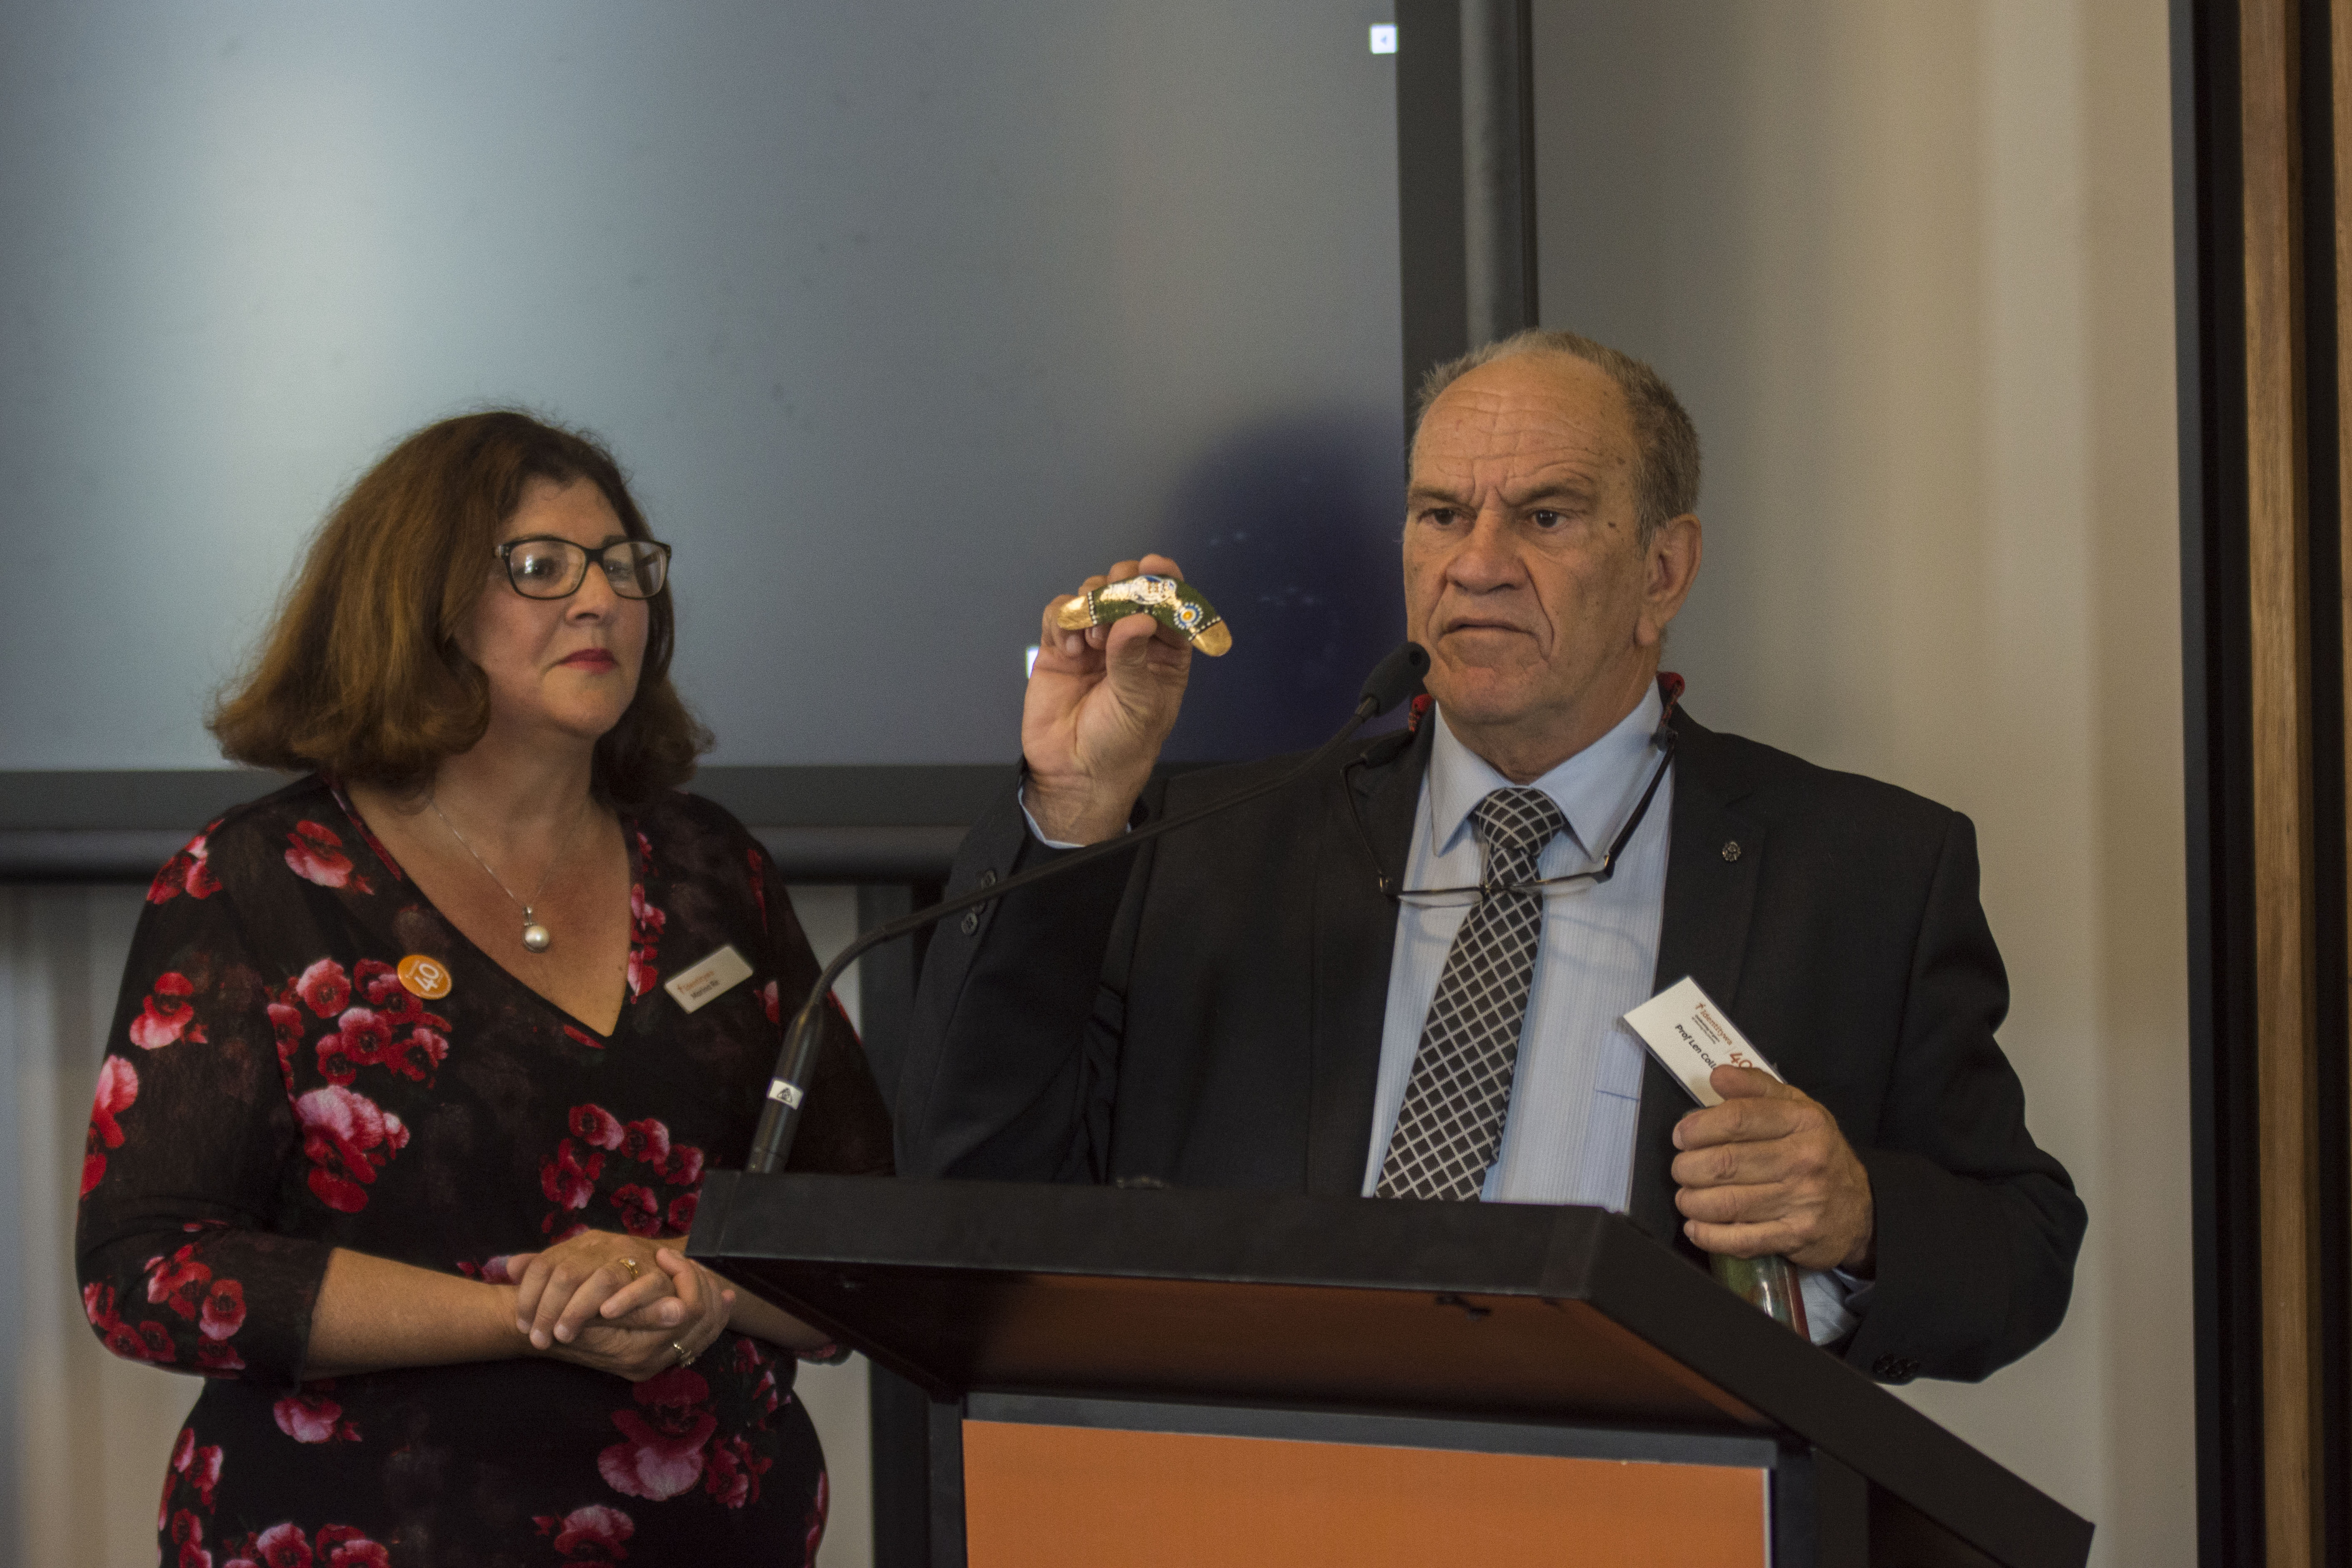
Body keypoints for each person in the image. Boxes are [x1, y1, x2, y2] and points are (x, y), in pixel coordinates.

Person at [895, 329, 2085, 1383]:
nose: (1477, 563)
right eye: (1441, 515)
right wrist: (1072, 808)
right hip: (1260, 1489)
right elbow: (973, 1188)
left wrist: (1860, 1216)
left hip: (1643, 1507)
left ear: (1663, 571)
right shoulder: (1207, 850)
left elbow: (2021, 1253)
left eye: (1546, 515)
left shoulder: (1863, 871)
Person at [76, 411, 891, 1562]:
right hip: (359, 1529)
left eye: (624, 566)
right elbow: (150, 1271)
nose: (601, 600)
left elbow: (869, 1247)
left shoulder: (714, 869)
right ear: (420, 605)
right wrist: (530, 1313)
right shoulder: (258, 880)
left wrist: (693, 1284)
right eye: (542, 567)